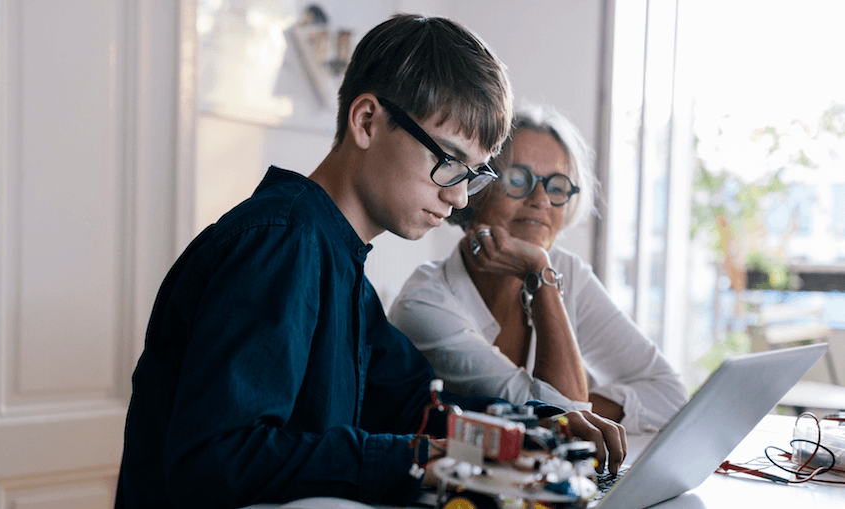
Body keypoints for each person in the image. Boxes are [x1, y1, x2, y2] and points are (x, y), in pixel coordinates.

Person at [115, 15, 626, 509]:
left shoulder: (342, 266)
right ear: (366, 121)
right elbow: (217, 460)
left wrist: (538, 428)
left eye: (473, 175)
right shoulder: (282, 242)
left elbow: (415, 409)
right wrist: (418, 458)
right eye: (448, 162)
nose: (461, 200)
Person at [389, 103, 688, 436]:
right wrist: (540, 276)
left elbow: (671, 396)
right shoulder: (425, 303)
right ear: (475, 187)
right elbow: (565, 421)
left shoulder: (566, 271)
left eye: (557, 186)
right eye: (518, 179)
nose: (542, 200)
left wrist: (583, 409)